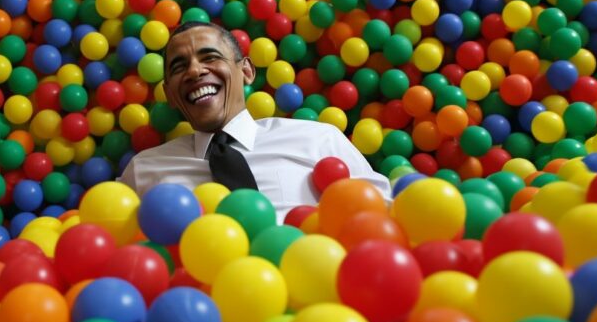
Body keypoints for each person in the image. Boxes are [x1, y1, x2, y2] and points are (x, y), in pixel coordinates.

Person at [119, 21, 392, 220]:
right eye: (179, 67)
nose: (195, 70)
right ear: (170, 95)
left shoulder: (319, 139)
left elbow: (382, 215)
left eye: (210, 57)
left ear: (246, 71)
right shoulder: (143, 170)